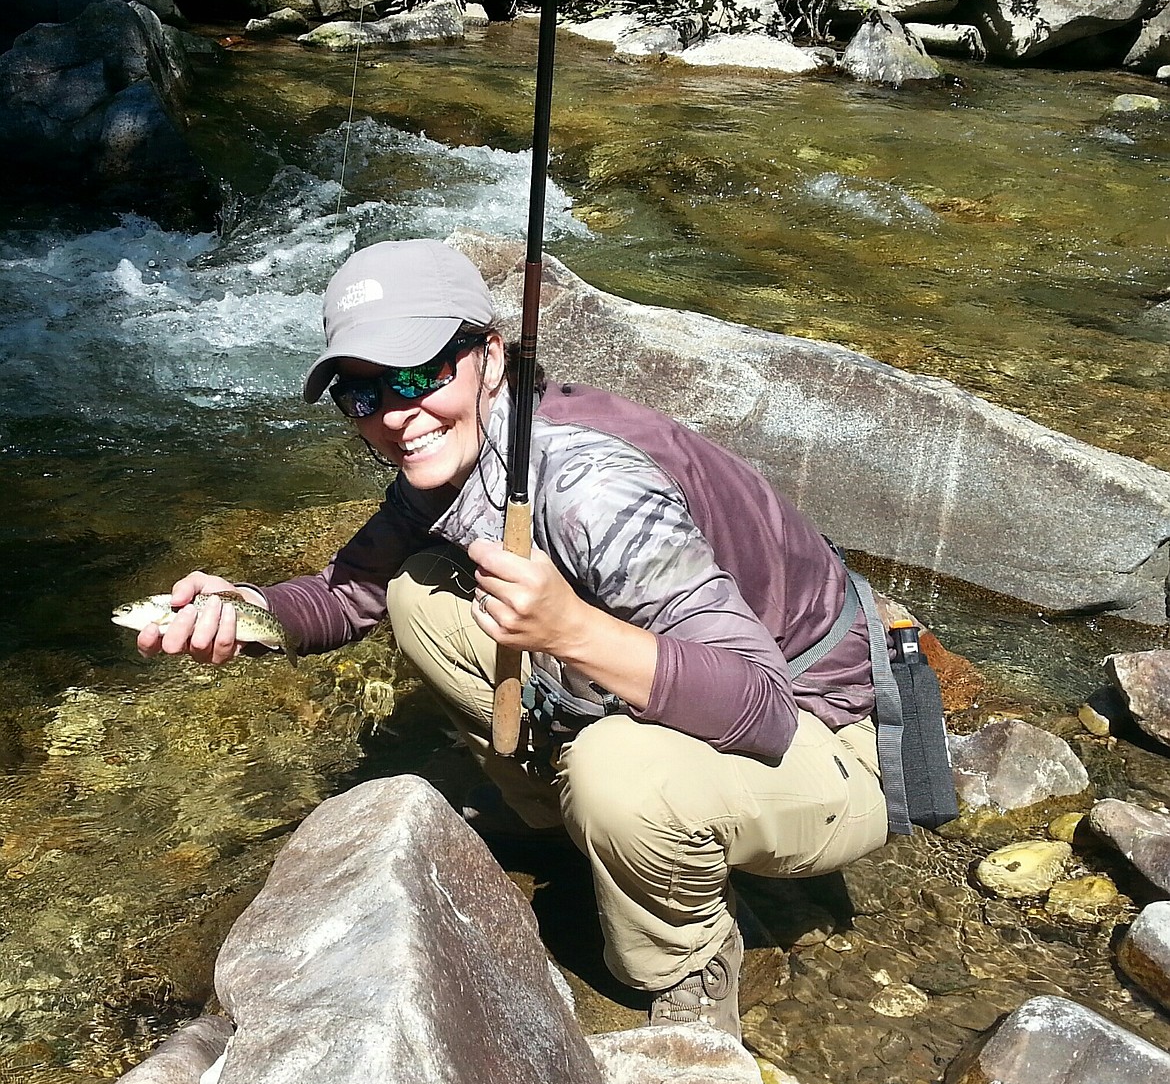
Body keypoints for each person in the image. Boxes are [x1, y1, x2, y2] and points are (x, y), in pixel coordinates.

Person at [138, 237, 893, 1039]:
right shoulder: (462, 456)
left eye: (419, 374)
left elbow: (763, 705)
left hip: (829, 737)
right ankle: (560, 824)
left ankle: (689, 964)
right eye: (360, 395)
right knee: (416, 590)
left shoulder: (589, 483)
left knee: (620, 771)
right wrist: (244, 608)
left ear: (489, 358)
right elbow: (347, 593)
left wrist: (570, 630)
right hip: (703, 700)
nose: (394, 415)